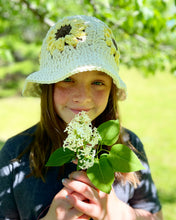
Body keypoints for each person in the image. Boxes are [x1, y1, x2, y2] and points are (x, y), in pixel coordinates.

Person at [0, 15, 163, 220]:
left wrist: (124, 214)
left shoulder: (129, 144)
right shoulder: (16, 154)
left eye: (97, 82)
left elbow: (155, 214)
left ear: (111, 89)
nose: (83, 98)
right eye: (68, 79)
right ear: (48, 86)